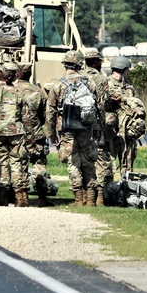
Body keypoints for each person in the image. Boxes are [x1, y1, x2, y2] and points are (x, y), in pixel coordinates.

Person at [45, 50, 101, 206]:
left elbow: (50, 111)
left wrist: (51, 133)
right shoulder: (89, 82)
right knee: (89, 160)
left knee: (72, 161)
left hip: (67, 128)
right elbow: (99, 107)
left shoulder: (58, 85)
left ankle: (78, 198)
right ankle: (90, 199)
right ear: (80, 64)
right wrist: (98, 129)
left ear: (65, 64)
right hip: (86, 127)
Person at [0, 61, 31, 207]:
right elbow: (26, 116)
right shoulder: (20, 93)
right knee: (16, 163)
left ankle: (3, 196)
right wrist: (30, 136)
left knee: (1, 163)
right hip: (16, 132)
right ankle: (19, 197)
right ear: (15, 75)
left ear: (2, 74)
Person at [16, 61, 52, 206]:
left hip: (17, 134)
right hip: (36, 135)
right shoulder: (37, 92)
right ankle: (42, 198)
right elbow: (44, 115)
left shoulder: (12, 90)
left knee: (20, 165)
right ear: (30, 74)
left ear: (17, 73)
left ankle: (22, 198)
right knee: (39, 165)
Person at [83, 47, 113, 205]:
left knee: (84, 158)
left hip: (81, 126)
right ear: (95, 62)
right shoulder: (101, 78)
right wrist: (102, 126)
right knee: (100, 158)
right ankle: (99, 195)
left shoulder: (79, 76)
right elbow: (104, 103)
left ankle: (86, 196)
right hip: (96, 124)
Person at [108, 55, 141, 174]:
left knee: (128, 165)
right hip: (111, 131)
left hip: (127, 132)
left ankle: (126, 189)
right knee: (108, 166)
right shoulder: (106, 85)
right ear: (123, 69)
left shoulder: (129, 87)